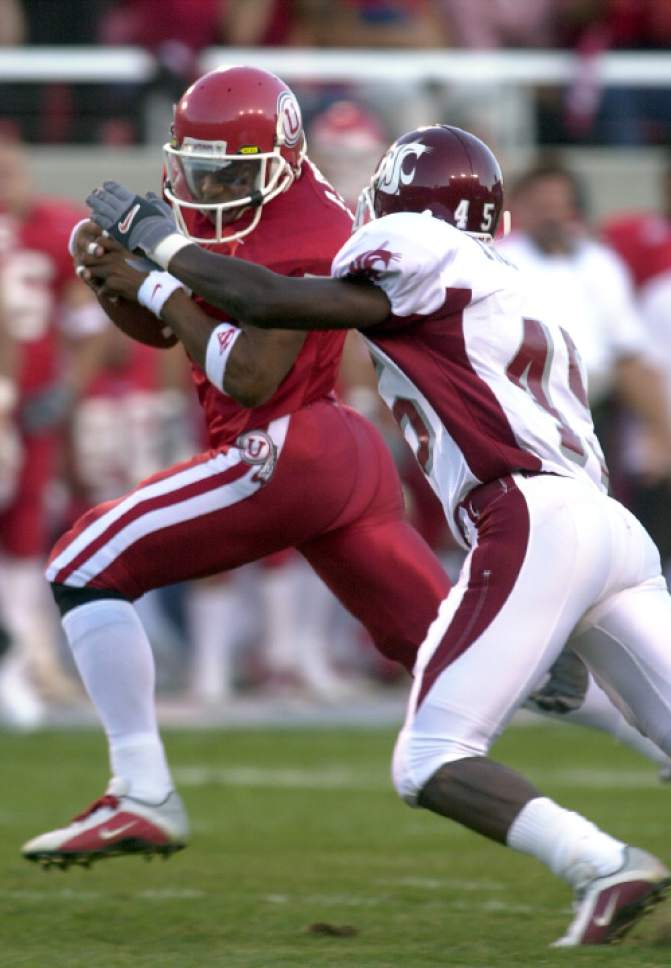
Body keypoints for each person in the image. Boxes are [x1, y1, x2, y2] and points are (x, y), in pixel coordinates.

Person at [78, 123, 671, 947]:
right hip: (612, 530)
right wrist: (152, 284)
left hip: (532, 517)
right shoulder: (514, 282)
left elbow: (277, 305)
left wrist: (162, 245)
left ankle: (600, 863)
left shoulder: (411, 241)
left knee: (431, 757)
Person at [20, 67, 451, 866]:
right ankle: (596, 853)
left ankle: (141, 791)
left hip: (284, 440)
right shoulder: (219, 195)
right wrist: (111, 278)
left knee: (82, 558)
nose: (209, 185)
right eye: (198, 164)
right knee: (460, 652)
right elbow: (169, 330)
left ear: (282, 161)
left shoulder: (312, 228)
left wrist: (149, 279)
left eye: (229, 170)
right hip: (323, 448)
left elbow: (247, 372)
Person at [0, 138, 109, 716]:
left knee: (27, 532)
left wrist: (68, 389)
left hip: (32, 406)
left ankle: (27, 663)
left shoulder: (55, 227)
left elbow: (87, 319)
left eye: (10, 168)